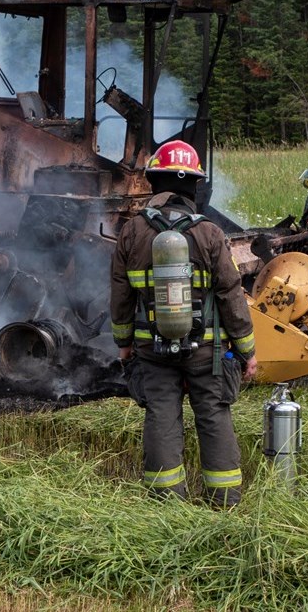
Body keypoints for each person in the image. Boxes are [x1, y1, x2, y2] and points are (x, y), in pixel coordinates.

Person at [110, 140, 258, 506]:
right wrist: (247, 350)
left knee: (161, 416)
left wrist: (124, 344)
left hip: (151, 349)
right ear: (193, 186)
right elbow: (231, 295)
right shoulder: (209, 233)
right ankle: (224, 501)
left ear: (154, 183)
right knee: (213, 414)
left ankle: (167, 505)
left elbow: (120, 294)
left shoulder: (132, 232)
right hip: (206, 351)